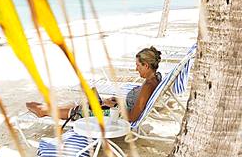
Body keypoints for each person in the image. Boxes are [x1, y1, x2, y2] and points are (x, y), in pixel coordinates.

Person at [26, 46, 162, 122]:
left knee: (79, 111)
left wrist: (115, 106)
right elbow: (137, 104)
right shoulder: (156, 77)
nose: (136, 68)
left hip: (117, 114)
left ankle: (43, 111)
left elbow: (133, 117)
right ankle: (50, 107)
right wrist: (117, 101)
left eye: (138, 65)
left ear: (146, 65)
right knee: (89, 102)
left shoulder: (148, 85)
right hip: (119, 107)